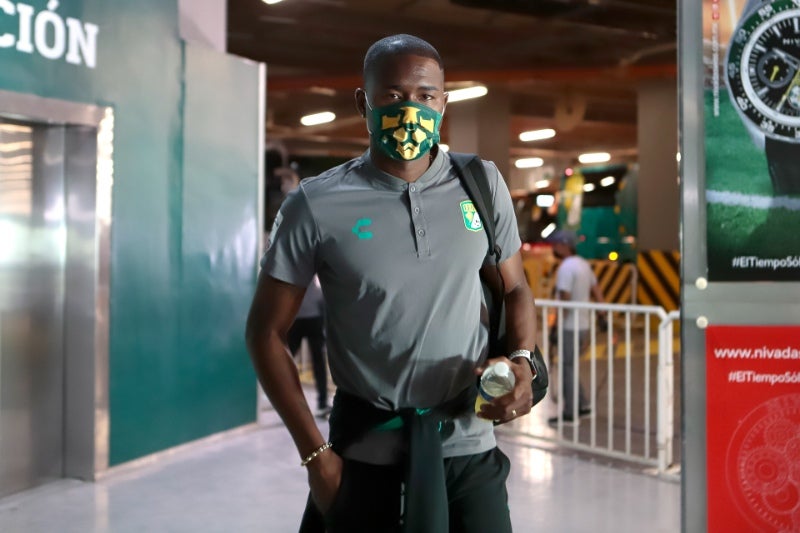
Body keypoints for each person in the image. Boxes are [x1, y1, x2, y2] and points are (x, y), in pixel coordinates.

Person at [245, 33, 537, 533]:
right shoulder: (315, 204)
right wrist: (316, 457)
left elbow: (514, 288)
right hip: (365, 454)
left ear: (443, 102)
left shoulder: (481, 185)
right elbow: (265, 332)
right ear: (364, 101)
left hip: (469, 448)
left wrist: (524, 360)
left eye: (426, 97)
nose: (412, 111)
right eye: (394, 96)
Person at [546, 229, 606, 424]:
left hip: (570, 326)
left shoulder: (566, 268)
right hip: (584, 325)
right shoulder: (583, 265)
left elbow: (565, 297)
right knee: (570, 366)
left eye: (556, 244)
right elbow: (596, 290)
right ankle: (583, 405)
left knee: (566, 367)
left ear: (565, 245)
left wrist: (556, 326)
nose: (554, 248)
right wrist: (602, 315)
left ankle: (570, 413)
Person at [287, 274, 330, 418]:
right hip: (308, 319)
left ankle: (321, 403)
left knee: (286, 361)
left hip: (300, 319)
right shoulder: (313, 269)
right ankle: (322, 404)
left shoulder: (295, 269)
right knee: (317, 363)